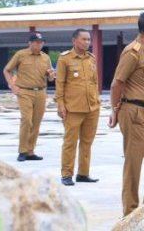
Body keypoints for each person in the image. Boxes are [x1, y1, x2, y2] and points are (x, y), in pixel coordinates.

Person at [108, 10, 144, 216]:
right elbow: (117, 83)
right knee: (133, 164)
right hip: (133, 113)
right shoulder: (132, 53)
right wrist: (115, 111)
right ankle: (130, 213)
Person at [55, 29, 101, 186]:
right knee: (70, 142)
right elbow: (59, 83)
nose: (87, 42)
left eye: (89, 39)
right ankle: (66, 174)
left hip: (92, 107)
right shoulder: (65, 59)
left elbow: (94, 82)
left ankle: (83, 173)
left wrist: (97, 100)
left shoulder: (91, 58)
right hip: (73, 108)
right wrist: (60, 104)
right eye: (84, 39)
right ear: (74, 40)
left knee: (87, 142)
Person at [3, 32, 55, 162]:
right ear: (30, 43)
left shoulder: (45, 58)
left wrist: (51, 75)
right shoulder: (20, 54)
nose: (39, 44)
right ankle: (22, 151)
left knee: (36, 122)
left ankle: (30, 151)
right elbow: (7, 70)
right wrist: (13, 86)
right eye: (36, 42)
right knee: (27, 120)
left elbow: (50, 77)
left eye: (41, 42)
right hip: (25, 92)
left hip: (41, 92)